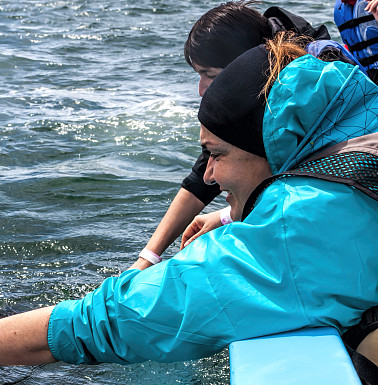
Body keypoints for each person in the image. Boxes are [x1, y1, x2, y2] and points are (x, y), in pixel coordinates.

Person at [0, 36, 378, 375]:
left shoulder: (292, 238)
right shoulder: (370, 128)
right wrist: (237, 213)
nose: (208, 175)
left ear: (273, 149)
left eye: (216, 155)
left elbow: (115, 319)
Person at [130, 1, 329, 270]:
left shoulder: (305, 89)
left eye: (209, 75)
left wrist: (228, 216)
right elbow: (203, 176)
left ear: (243, 63)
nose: (201, 90)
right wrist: (148, 258)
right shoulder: (265, 72)